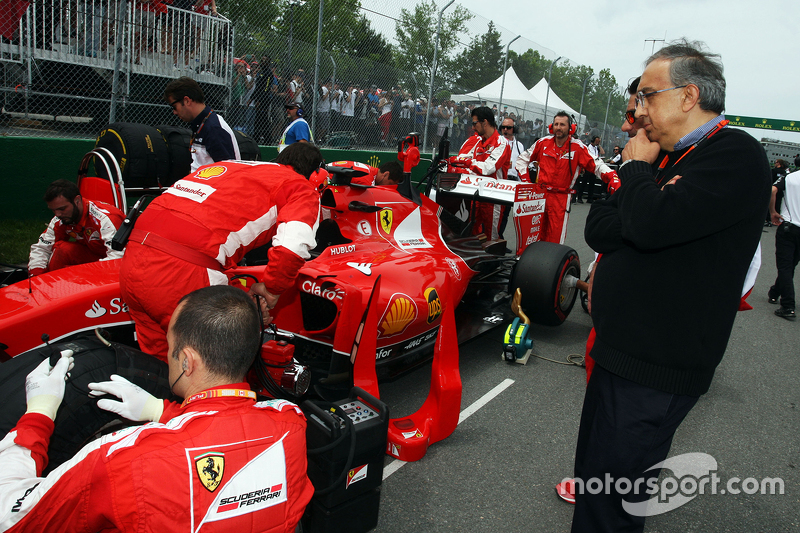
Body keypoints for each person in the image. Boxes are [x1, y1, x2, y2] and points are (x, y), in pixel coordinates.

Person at [570, 40, 771, 532]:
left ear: (688, 96)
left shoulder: (735, 154)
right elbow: (600, 226)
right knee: (592, 481)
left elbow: (649, 226)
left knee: (611, 505)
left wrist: (637, 175)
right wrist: (644, 192)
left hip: (657, 369)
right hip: (618, 352)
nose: (639, 111)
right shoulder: (667, 158)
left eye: (647, 96)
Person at [0, 285, 312, 532]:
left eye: (170, 344)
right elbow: (228, 439)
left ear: (187, 362)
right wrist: (161, 411)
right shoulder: (291, 424)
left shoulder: (118, 459)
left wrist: (37, 415)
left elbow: (11, 517)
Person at [119, 142, 323, 359]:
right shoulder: (299, 186)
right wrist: (272, 289)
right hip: (182, 273)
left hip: (132, 260)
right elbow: (293, 248)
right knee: (215, 371)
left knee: (160, 368)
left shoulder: (230, 165)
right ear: (313, 174)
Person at [515, 112, 619, 244]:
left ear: (571, 128)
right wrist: (527, 183)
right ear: (552, 127)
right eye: (556, 124)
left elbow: (597, 165)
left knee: (555, 241)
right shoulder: (542, 143)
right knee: (532, 239)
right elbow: (521, 160)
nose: (559, 127)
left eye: (562, 124)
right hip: (539, 197)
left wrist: (612, 177)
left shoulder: (578, 147)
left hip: (561, 199)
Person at [28, 179, 125, 276]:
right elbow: (42, 248)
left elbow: (117, 258)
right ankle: (52, 286)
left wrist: (82, 273)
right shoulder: (60, 219)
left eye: (62, 209)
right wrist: (36, 277)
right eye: (53, 210)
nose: (58, 214)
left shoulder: (106, 219)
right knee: (62, 249)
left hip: (123, 263)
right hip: (97, 257)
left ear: (77, 200)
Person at [448, 106, 511, 240]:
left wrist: (467, 162)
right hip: (477, 194)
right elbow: (463, 160)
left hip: (494, 197)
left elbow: (488, 168)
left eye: (474, 123)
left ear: (485, 122)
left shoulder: (502, 143)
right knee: (471, 230)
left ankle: (492, 260)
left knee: (491, 236)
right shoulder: (478, 143)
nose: (473, 127)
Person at [164, 76, 239, 172]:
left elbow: (228, 173)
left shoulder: (214, 128)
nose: (174, 112)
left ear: (187, 100)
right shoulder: (201, 123)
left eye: (174, 107)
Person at [767, 156, 800, 320]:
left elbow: (772, 190)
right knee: (791, 264)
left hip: (789, 226)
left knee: (785, 266)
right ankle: (775, 292)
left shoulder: (790, 178)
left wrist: (773, 212)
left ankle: (788, 306)